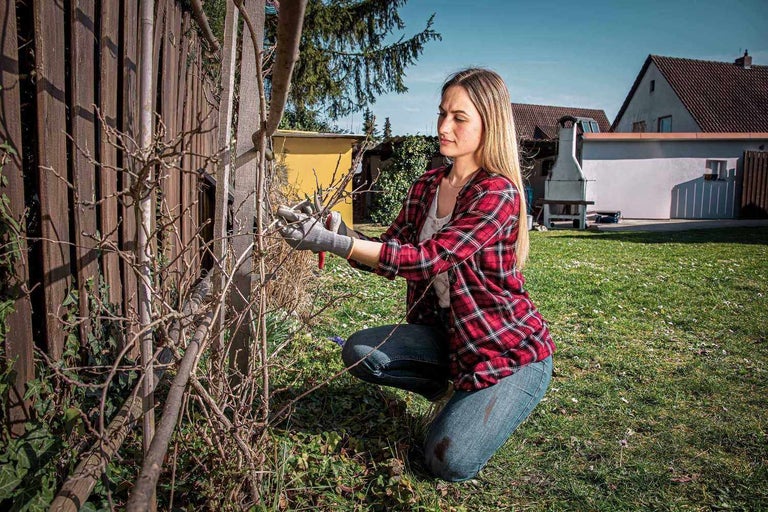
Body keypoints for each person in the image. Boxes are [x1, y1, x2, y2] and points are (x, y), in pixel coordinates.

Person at [276, 68, 555, 482]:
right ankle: (451, 391)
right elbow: (393, 248)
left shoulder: (497, 193)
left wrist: (334, 244)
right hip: (448, 338)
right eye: (442, 113)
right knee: (360, 352)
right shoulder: (426, 185)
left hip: (507, 353)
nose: (443, 127)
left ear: (488, 124)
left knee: (448, 462)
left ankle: (485, 400)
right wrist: (337, 230)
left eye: (459, 118)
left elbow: (428, 259)